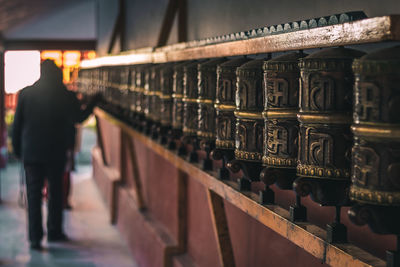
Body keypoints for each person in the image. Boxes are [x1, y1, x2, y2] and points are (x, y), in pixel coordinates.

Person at [12, 59, 99, 250]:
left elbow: (17, 125)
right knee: (55, 193)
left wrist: (18, 150)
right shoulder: (65, 95)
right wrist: (94, 102)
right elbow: (79, 118)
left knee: (33, 196)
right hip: (56, 153)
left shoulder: (26, 93)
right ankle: (54, 232)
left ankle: (35, 238)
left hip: (32, 154)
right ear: (58, 74)